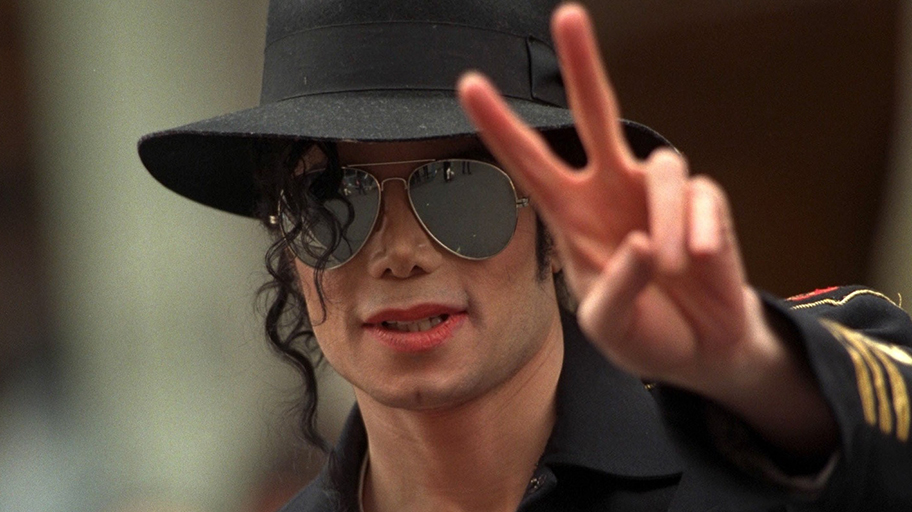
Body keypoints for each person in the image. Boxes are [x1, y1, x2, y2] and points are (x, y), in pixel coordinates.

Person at [138, 0, 912, 510]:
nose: (399, 253)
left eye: (459, 187)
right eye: (333, 198)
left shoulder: (756, 443)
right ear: (288, 243)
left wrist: (743, 366)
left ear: (555, 215)